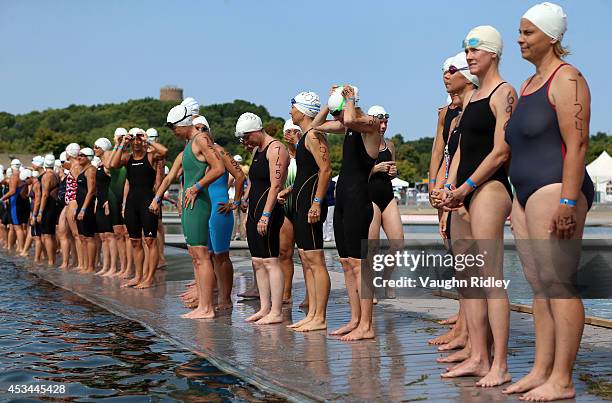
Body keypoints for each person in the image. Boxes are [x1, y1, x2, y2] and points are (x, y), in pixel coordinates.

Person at [502, 4, 594, 401]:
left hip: (556, 189)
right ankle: (542, 370)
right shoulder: (527, 85)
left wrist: (569, 201)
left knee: (560, 285)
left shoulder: (567, 79)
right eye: (520, 33)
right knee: (539, 287)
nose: (520, 40)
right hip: (524, 196)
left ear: (551, 37)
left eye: (528, 33)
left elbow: (578, 145)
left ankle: (563, 379)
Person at [436, 26, 516, 387]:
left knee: (490, 279)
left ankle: (499, 363)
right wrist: (449, 189)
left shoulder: (504, 93)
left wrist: (467, 187)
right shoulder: (472, 98)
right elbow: (462, 150)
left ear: (493, 54)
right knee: (468, 279)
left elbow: (502, 151)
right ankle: (478, 356)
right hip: (462, 194)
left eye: (476, 50)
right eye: (466, 51)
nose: (469, 57)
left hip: (488, 190)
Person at [312, 85, 382, 341]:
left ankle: (367, 325)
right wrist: (329, 104)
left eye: (338, 114)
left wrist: (349, 98)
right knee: (346, 263)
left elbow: (352, 118)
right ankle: (355, 320)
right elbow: (316, 127)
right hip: (342, 201)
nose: (338, 120)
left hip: (358, 201)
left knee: (360, 265)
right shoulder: (347, 125)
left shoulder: (370, 125)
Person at [150, 105, 224, 318]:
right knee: (195, 255)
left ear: (183, 124)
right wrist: (156, 199)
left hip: (199, 203)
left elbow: (218, 168)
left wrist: (197, 186)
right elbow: (169, 177)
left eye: (174, 128)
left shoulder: (201, 139)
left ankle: (208, 307)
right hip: (191, 205)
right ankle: (203, 304)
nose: (173, 133)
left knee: (201, 256)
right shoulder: (186, 151)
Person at [429, 52, 479, 361]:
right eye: (443, 71)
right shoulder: (448, 112)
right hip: (448, 186)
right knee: (457, 256)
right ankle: (463, 323)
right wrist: (435, 182)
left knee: (470, 262)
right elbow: (441, 150)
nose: (445, 75)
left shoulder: (474, 109)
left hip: (463, 189)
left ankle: (466, 326)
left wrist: (450, 187)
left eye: (451, 70)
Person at [281, 91, 332, 332]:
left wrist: (317, 203)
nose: (290, 111)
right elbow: (306, 174)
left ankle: (319, 317)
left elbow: (325, 171)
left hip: (311, 204)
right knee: (306, 259)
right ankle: (312, 314)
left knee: (316, 260)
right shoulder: (307, 135)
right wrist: (291, 190)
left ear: (301, 110)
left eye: (292, 107)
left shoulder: (313, 136)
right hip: (302, 201)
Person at [236, 112, 289, 324]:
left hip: (269, 210)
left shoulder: (276, 149)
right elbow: (253, 181)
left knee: (270, 260)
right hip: (255, 210)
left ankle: (276, 311)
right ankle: (264, 307)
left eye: (247, 138)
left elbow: (275, 185)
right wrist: (245, 199)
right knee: (257, 261)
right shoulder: (257, 150)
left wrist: (266, 214)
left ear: (256, 131)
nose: (245, 143)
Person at [195, 115, 245, 309]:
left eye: (203, 129)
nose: (200, 133)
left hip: (219, 208)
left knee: (221, 255)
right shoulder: (196, 154)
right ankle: (211, 295)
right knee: (206, 256)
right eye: (196, 129)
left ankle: (225, 298)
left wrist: (236, 202)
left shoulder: (219, 151)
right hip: (203, 209)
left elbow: (239, 176)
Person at [110, 128, 167, 288]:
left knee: (150, 240)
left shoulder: (151, 156)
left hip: (148, 202)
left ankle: (149, 278)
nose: (136, 142)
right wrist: (121, 143)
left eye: (139, 139)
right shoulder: (127, 158)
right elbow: (112, 164)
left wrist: (147, 139)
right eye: (133, 139)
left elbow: (164, 151)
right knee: (135, 241)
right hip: (132, 204)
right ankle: (139, 276)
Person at [366, 105, 404, 300]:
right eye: (380, 122)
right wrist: (375, 169)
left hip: (387, 196)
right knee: (372, 246)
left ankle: (386, 279)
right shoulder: (362, 143)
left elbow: (391, 173)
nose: (383, 126)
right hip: (370, 197)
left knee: (398, 243)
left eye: (386, 122)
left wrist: (393, 173)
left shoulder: (390, 145)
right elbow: (355, 175)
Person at [93, 137, 118, 276]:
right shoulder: (100, 163)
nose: (94, 149)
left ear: (104, 147)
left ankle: (113, 267)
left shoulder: (108, 164)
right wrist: (97, 200)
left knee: (110, 235)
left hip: (108, 201)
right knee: (103, 236)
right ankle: (106, 266)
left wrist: (110, 200)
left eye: (97, 146)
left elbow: (115, 182)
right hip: (100, 201)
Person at [110, 128, 131, 279]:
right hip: (113, 196)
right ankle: (123, 267)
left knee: (128, 234)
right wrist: (118, 145)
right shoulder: (114, 154)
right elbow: (111, 164)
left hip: (125, 195)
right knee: (117, 233)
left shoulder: (129, 156)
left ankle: (129, 268)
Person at [75, 147, 97, 273]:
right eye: (78, 155)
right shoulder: (83, 170)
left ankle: (91, 267)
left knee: (89, 237)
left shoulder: (91, 171)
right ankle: (84, 265)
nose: (79, 157)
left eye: (82, 155)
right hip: (81, 206)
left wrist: (83, 209)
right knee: (82, 237)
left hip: (87, 207)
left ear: (88, 157)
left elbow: (91, 191)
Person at [65, 143, 85, 270]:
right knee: (76, 235)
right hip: (71, 202)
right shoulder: (73, 165)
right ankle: (79, 263)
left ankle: (82, 264)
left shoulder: (76, 166)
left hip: (74, 203)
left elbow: (81, 185)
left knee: (78, 235)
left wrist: (79, 205)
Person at [37, 154, 60, 266]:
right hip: (54, 206)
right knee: (51, 234)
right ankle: (52, 259)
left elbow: (45, 194)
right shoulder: (56, 175)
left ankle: (51, 261)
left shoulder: (46, 176)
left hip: (48, 207)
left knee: (47, 235)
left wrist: (40, 211)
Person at [1, 159, 28, 252]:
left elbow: (12, 191)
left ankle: (21, 249)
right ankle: (20, 247)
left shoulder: (14, 176)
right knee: (19, 226)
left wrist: (2, 198)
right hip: (21, 202)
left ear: (11, 166)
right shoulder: (22, 175)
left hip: (15, 203)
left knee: (17, 227)